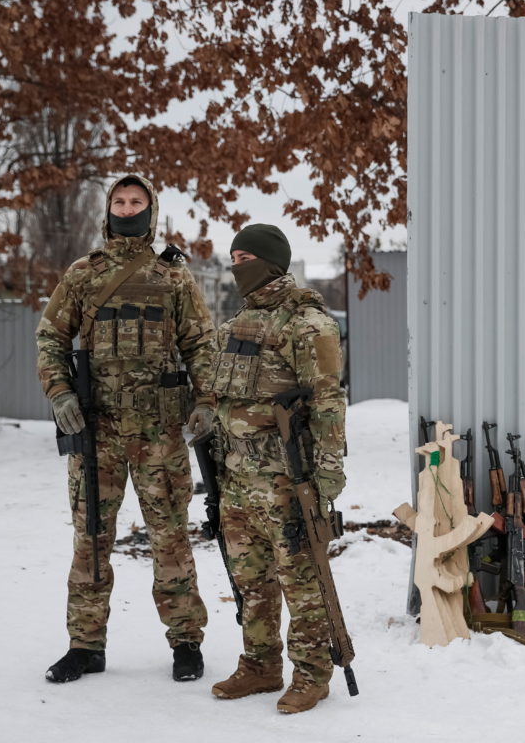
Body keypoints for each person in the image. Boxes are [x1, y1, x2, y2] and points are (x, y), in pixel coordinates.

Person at [36, 174, 217, 684]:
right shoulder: (82, 274)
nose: (128, 207)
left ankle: (186, 642)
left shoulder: (173, 276)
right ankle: (85, 645)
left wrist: (205, 401)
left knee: (171, 538)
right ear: (108, 208)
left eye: (136, 201)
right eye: (120, 200)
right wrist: (60, 392)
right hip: (99, 433)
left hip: (159, 432)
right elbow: (50, 336)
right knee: (91, 537)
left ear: (150, 209)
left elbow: (201, 345)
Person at [204, 223, 347, 714]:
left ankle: (311, 674)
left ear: (271, 262)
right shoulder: (234, 324)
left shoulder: (307, 324)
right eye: (234, 257)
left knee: (302, 582)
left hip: (289, 479)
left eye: (246, 258)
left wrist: (329, 472)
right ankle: (261, 665)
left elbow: (328, 401)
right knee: (252, 580)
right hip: (237, 480)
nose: (237, 266)